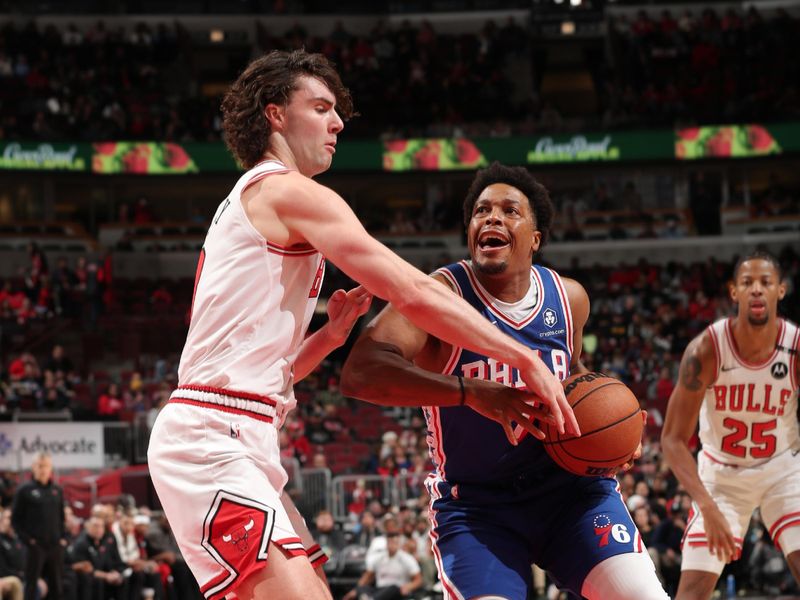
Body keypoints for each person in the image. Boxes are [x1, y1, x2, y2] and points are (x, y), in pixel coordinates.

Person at [147, 50, 576, 600]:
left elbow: (260, 373)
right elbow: (412, 289)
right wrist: (521, 355)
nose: (338, 123)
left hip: (238, 431)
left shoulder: (260, 197)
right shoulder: (286, 190)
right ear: (275, 115)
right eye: (321, 107)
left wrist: (327, 336)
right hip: (210, 438)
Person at [340, 163, 667, 599]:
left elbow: (572, 376)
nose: (492, 218)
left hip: (572, 493)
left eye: (510, 210)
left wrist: (616, 428)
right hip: (478, 509)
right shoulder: (440, 295)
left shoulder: (569, 299)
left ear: (536, 237)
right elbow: (361, 372)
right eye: (481, 211)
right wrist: (469, 391)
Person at [661, 250, 800, 600]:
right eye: (747, 283)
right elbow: (673, 440)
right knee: (691, 592)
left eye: (765, 282)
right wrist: (707, 508)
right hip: (721, 478)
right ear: (733, 292)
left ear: (780, 291)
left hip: (781, 471)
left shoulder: (795, 348)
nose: (756, 289)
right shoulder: (705, 350)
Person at [11, 452, 65, 600]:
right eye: (40, 465)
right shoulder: (24, 490)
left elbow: (62, 518)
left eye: (46, 465)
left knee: (56, 586)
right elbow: (15, 520)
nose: (43, 469)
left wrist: (63, 539)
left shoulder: (57, 490)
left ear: (51, 468)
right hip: (34, 547)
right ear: (33, 467)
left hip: (54, 546)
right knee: (31, 586)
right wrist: (28, 541)